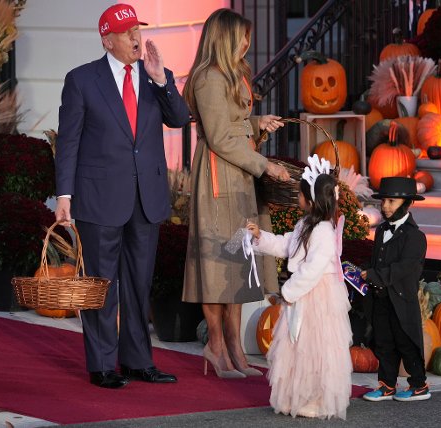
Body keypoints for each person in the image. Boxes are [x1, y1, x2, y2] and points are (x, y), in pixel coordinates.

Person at [54, 3, 190, 389]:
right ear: (107, 39)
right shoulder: (81, 80)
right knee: (100, 283)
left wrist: (162, 80)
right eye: (127, 32)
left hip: (145, 198)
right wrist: (64, 194)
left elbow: (180, 119)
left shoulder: (153, 79)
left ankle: (137, 361)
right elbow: (69, 142)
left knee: (138, 284)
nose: (136, 38)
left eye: (138, 30)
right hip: (99, 198)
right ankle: (101, 364)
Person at [181, 8, 290, 379]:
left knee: (241, 262)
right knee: (218, 264)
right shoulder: (208, 78)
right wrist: (265, 164)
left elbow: (234, 126)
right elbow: (220, 138)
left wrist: (258, 124)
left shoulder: (232, 75)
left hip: (239, 177)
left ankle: (235, 351)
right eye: (243, 36)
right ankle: (216, 347)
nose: (247, 43)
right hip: (219, 179)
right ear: (226, 38)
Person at [246, 155, 353, 419]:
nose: (298, 198)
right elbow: (287, 245)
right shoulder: (305, 224)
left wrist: (289, 290)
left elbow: (314, 268)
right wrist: (261, 237)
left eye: (301, 194)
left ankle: (316, 398)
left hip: (317, 294)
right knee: (296, 345)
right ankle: (295, 396)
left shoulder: (324, 231)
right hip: (302, 292)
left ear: (312, 199)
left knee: (315, 347)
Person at [360, 177, 429, 402]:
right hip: (382, 298)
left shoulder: (415, 237)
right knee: (384, 342)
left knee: (406, 342)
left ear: (408, 203)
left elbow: (402, 269)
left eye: (392, 201)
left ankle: (419, 385)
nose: (386, 206)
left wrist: (373, 275)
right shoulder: (381, 231)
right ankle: (387, 385)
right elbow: (377, 260)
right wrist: (362, 274)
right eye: (384, 201)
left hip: (402, 301)